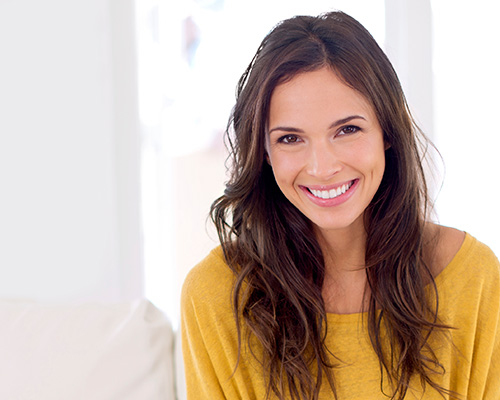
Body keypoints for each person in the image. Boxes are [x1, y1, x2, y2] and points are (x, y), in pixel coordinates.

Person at [181, 11, 500, 400]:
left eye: (347, 130)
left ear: (386, 131)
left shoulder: (474, 279)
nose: (322, 167)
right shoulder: (216, 294)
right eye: (289, 139)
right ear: (263, 152)